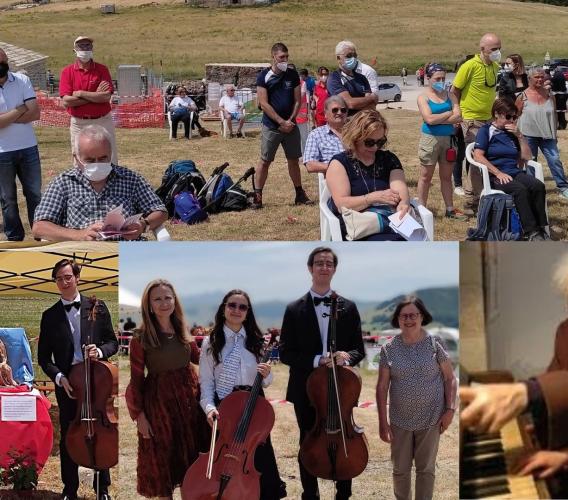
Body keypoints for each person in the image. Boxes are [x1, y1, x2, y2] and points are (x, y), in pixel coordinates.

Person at [280, 247, 365, 500]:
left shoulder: (348, 307)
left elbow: (359, 350)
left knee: (344, 440)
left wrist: (345, 356)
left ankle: (343, 495)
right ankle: (310, 494)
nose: (324, 267)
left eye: (329, 263)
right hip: (306, 389)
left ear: (334, 269)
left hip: (342, 388)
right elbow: (286, 353)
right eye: (319, 263)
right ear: (310, 268)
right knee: (307, 441)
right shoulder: (294, 309)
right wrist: (318, 360)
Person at [37, 259, 118, 500]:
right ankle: (69, 490)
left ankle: (102, 489)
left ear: (77, 278)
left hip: (96, 383)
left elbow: (112, 342)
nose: (64, 282)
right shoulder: (49, 316)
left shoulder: (98, 307)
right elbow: (43, 358)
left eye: (67, 277)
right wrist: (59, 377)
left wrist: (100, 352)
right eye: (59, 278)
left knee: (100, 431)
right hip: (69, 385)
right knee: (69, 437)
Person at [125, 279, 208, 499]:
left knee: (193, 465)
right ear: (149, 304)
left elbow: (201, 360)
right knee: (164, 469)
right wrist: (139, 416)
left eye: (168, 298)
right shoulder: (140, 338)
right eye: (158, 299)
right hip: (159, 407)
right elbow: (135, 380)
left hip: (190, 405)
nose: (164, 303)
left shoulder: (183, 330)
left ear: (175, 300)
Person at [199, 289, 286, 500]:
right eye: (232, 305)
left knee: (258, 456)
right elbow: (207, 384)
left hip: (255, 406)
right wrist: (210, 409)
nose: (236, 310)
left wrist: (267, 374)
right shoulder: (211, 342)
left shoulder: (256, 341)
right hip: (225, 406)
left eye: (242, 307)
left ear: (248, 313)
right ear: (223, 309)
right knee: (227, 459)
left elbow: (265, 381)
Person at [377, 296, 456, 500]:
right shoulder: (388, 348)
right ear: (398, 319)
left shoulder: (435, 344)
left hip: (431, 419)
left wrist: (450, 410)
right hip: (399, 420)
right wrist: (382, 422)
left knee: (426, 470)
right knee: (400, 471)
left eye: (413, 314)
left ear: (422, 317)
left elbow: (450, 378)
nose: (409, 319)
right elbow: (382, 386)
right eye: (404, 315)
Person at [32, 125, 167, 241]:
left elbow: (160, 211)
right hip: (82, 253)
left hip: (125, 252)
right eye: (90, 160)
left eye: (103, 158)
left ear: (111, 154)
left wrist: (143, 224)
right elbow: (39, 227)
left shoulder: (130, 179)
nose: (97, 165)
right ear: (77, 158)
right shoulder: (63, 182)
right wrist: (79, 235)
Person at [326, 109, 411, 241]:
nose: (375, 147)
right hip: (359, 228)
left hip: (391, 223)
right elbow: (341, 204)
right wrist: (371, 198)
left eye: (381, 142)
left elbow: (400, 193)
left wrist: (404, 204)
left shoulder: (389, 159)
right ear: (355, 138)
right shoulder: (340, 163)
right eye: (369, 142)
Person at [474, 97, 549, 241]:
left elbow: (527, 157)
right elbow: (478, 155)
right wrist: (497, 172)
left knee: (537, 185)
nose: (511, 120)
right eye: (508, 116)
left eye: (514, 117)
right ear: (497, 113)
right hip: (495, 174)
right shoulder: (486, 130)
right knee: (520, 190)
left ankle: (541, 227)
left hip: (514, 171)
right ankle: (530, 231)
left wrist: (520, 136)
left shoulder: (513, 133)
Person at [253, 42, 313, 209]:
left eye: (287, 57)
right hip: (272, 126)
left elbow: (297, 100)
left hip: (291, 125)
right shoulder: (263, 76)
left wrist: (291, 121)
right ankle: (258, 195)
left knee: (293, 160)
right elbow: (263, 103)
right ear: (273, 57)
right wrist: (280, 121)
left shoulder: (292, 75)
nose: (285, 60)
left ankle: (299, 193)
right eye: (281, 57)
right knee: (265, 161)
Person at [451, 33, 502, 212]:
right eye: (494, 49)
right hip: (471, 119)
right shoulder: (469, 66)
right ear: (482, 49)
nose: (497, 52)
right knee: (476, 158)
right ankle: (472, 200)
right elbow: (454, 91)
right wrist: (457, 111)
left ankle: (482, 196)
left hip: (489, 119)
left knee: (487, 157)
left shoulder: (495, 66)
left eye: (499, 49)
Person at [0, 48, 42, 241]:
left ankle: (40, 233)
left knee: (34, 194)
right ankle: (15, 237)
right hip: (2, 152)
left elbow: (35, 113)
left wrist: (8, 117)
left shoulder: (22, 80)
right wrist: (20, 109)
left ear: (7, 60)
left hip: (28, 148)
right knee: (7, 199)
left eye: (2, 60)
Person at [417, 63, 466, 220]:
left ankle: (450, 209)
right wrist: (449, 113)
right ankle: (421, 209)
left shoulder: (451, 95)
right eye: (438, 78)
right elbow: (429, 119)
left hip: (449, 140)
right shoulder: (423, 97)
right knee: (426, 177)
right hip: (430, 140)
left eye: (444, 78)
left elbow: (459, 117)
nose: (441, 81)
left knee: (446, 176)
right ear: (428, 78)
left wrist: (440, 118)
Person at [59, 36, 117, 164]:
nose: (85, 48)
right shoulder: (67, 72)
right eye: (81, 46)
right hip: (79, 123)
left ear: (92, 48)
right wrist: (95, 95)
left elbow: (106, 97)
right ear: (74, 50)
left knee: (109, 158)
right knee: (79, 159)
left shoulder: (102, 69)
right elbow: (67, 101)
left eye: (88, 45)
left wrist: (81, 93)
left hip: (103, 120)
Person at [517, 66, 568, 199]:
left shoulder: (550, 95)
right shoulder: (522, 96)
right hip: (528, 135)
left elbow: (554, 115)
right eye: (537, 77)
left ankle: (562, 187)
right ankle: (532, 188)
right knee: (531, 162)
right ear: (529, 79)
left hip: (547, 135)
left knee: (555, 159)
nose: (540, 79)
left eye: (542, 76)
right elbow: (515, 115)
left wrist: (555, 132)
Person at [327, 40, 378, 116]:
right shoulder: (334, 78)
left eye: (355, 55)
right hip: (345, 124)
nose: (353, 58)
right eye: (349, 56)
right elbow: (350, 103)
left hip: (362, 122)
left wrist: (366, 101)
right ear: (338, 58)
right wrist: (371, 98)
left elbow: (371, 105)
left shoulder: (362, 78)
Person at [303, 95, 347, 174]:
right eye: (335, 110)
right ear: (326, 114)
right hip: (332, 177)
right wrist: (338, 167)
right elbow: (310, 165)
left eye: (343, 110)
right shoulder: (316, 134)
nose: (339, 112)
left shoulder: (355, 131)